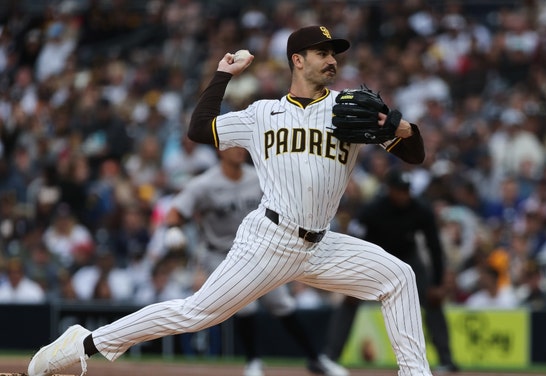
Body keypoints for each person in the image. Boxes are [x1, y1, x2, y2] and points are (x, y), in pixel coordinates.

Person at [27, 25, 433, 376]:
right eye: (322, 53)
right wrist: (222, 75)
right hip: (270, 239)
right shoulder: (262, 114)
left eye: (334, 54)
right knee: (195, 314)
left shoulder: (348, 110)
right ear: (297, 60)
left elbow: (414, 157)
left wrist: (401, 126)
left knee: (398, 277)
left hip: (321, 244)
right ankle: (83, 344)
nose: (332, 61)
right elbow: (200, 129)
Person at [161, 146, 347, 376]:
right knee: (245, 304)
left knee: (282, 303)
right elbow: (175, 212)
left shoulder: (258, 176)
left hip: (257, 250)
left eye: (242, 146)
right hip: (220, 253)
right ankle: (253, 362)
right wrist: (172, 229)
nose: (240, 150)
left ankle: (315, 359)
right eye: (234, 146)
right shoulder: (204, 184)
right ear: (220, 151)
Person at [323, 169, 459, 374]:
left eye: (407, 190)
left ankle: (446, 360)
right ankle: (330, 357)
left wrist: (437, 283)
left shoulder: (420, 209)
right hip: (375, 260)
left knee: (433, 300)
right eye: (399, 190)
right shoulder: (372, 210)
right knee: (349, 301)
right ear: (390, 190)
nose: (404, 195)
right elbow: (353, 240)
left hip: (407, 259)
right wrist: (349, 278)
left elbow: (434, 247)